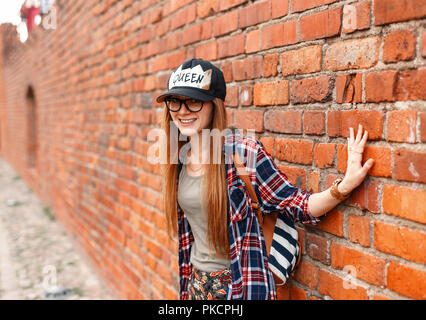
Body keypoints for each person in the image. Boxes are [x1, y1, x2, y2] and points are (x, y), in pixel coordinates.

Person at [155, 58, 375, 300]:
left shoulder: (244, 154)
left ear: (214, 105)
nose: (183, 111)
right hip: (196, 285)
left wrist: (345, 186)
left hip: (238, 286)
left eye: (194, 101)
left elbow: (296, 204)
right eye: (175, 102)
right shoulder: (177, 159)